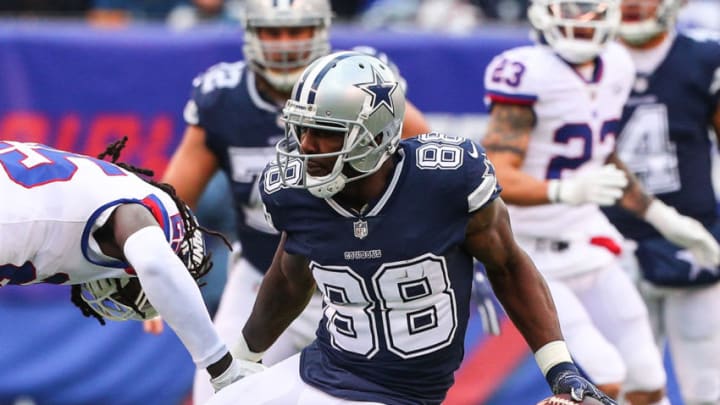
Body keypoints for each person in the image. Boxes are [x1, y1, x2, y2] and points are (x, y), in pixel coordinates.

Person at [205, 50, 616, 405]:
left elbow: (508, 265)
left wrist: (560, 369)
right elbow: (290, 278)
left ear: (376, 135)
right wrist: (242, 359)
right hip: (323, 366)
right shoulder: (294, 192)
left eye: (326, 133)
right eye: (302, 128)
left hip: (397, 392)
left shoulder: (446, 183)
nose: (307, 145)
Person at [142, 0, 430, 402]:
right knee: (219, 397)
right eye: (272, 32)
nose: (284, 45)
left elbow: (426, 167)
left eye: (297, 31)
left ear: (322, 31)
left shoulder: (363, 84)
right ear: (249, 33)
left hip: (356, 287)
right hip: (264, 279)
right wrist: (144, 268)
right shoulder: (223, 96)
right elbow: (170, 204)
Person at [480, 0, 720, 403]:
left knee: (645, 377)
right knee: (604, 378)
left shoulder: (617, 65)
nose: (580, 21)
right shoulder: (527, 70)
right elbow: (497, 172)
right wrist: (564, 190)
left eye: (589, 10)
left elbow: (601, 156)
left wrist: (663, 217)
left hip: (590, 242)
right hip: (534, 255)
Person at [0, 137, 252, 394]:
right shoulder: (144, 218)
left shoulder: (109, 189)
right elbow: (155, 263)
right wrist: (221, 366)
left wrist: (165, 300)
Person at [602, 1, 720, 403]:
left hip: (693, 238)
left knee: (708, 387)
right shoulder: (588, 59)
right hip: (610, 242)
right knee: (631, 386)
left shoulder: (704, 56)